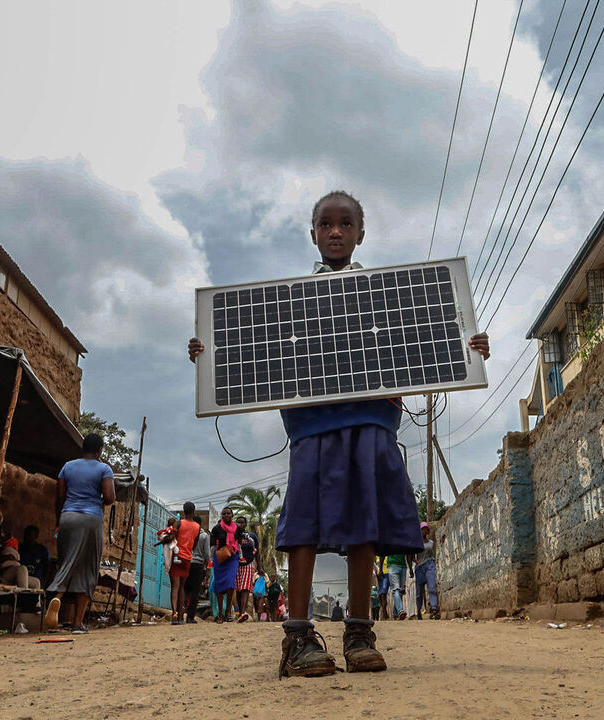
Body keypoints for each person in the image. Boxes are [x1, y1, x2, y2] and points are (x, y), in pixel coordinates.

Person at [190, 191, 490, 676]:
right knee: (304, 519)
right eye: (325, 224)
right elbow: (247, 348)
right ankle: (297, 636)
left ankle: (359, 631)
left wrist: (467, 347)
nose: (335, 231)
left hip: (371, 417)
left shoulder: (386, 297)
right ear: (313, 234)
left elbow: (426, 340)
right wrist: (210, 352)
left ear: (360, 234)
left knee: (364, 520)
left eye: (345, 224)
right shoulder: (287, 301)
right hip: (313, 422)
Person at [43, 433, 116, 634]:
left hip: (67, 517)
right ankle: (77, 623)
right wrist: (98, 499)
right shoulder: (104, 469)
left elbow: (60, 496)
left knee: (67, 562)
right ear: (99, 451)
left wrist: (58, 521)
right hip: (91, 519)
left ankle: (57, 596)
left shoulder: (67, 467)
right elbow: (109, 497)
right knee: (87, 568)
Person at [170, 502, 201, 625]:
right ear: (194, 511)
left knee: (175, 587)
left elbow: (172, 537)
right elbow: (195, 544)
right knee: (182, 587)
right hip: (187, 558)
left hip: (176, 556)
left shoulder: (179, 523)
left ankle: (174, 614)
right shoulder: (197, 527)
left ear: (183, 511)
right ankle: (181, 617)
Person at [210, 506, 241, 623]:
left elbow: (239, 543)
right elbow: (212, 545)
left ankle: (228, 612)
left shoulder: (237, 529)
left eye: (228, 513)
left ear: (232, 515)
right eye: (224, 514)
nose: (226, 515)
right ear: (221, 516)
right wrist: (210, 559)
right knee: (219, 585)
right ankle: (220, 615)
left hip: (233, 557)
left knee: (230, 584)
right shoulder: (216, 528)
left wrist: (241, 556)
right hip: (220, 558)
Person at [410, 522, 439, 620]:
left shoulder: (431, 543)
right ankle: (418, 610)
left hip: (430, 565)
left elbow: (434, 554)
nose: (424, 531)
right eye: (422, 529)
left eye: (426, 529)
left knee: (431, 587)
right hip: (420, 568)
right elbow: (412, 556)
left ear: (428, 531)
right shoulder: (416, 543)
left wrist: (434, 563)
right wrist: (416, 562)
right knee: (419, 593)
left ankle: (434, 608)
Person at [185, 516, 211, 623]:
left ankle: (181, 612)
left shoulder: (186, 533)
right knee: (195, 591)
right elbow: (207, 554)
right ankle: (190, 616)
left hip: (186, 562)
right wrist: (207, 566)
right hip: (198, 564)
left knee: (185, 589)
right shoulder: (205, 536)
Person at [234, 516, 260, 622]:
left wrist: (260, 566)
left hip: (248, 565)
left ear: (246, 524)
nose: (240, 524)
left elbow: (257, 552)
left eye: (242, 522)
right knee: (238, 589)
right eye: (238, 522)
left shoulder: (252, 536)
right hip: (236, 565)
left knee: (245, 588)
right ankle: (240, 612)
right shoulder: (233, 535)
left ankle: (242, 612)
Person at [385, 553, 407, 620]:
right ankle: (400, 611)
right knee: (396, 589)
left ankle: (395, 614)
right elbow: (383, 553)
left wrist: (410, 568)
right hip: (392, 565)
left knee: (401, 591)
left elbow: (408, 553)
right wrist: (380, 568)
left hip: (403, 566)